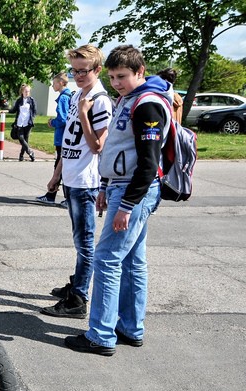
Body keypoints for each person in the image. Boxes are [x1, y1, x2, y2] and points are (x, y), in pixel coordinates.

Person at [65, 46, 170, 356]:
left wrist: (125, 204)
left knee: (107, 259)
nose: (116, 83)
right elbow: (119, 149)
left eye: (122, 76)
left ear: (140, 72)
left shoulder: (147, 105)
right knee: (133, 262)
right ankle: (130, 327)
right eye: (111, 77)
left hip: (133, 192)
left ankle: (100, 335)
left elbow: (149, 163)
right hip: (121, 188)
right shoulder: (129, 99)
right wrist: (105, 186)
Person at [41, 44, 112, 319]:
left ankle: (78, 299)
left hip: (86, 181)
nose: (78, 75)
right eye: (74, 70)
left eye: (83, 71)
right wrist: (56, 174)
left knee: (85, 241)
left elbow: (97, 146)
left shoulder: (99, 100)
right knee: (78, 239)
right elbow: (70, 144)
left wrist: (84, 113)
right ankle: (77, 282)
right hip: (71, 178)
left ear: (97, 69)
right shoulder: (77, 96)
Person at [38, 73, 72, 204]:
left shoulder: (64, 98)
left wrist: (52, 122)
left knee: (61, 166)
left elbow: (63, 119)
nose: (53, 85)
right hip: (65, 137)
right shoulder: (67, 96)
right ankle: (51, 195)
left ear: (62, 83)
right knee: (60, 165)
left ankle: (64, 197)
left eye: (55, 82)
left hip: (63, 137)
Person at [11, 84, 37, 162]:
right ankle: (30, 152)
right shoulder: (19, 100)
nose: (27, 93)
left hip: (28, 123)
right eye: (26, 91)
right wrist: (6, 110)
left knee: (25, 140)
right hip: (19, 123)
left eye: (28, 91)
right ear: (22, 92)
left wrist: (32, 118)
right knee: (21, 138)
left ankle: (21, 155)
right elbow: (14, 109)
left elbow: (34, 111)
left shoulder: (32, 100)